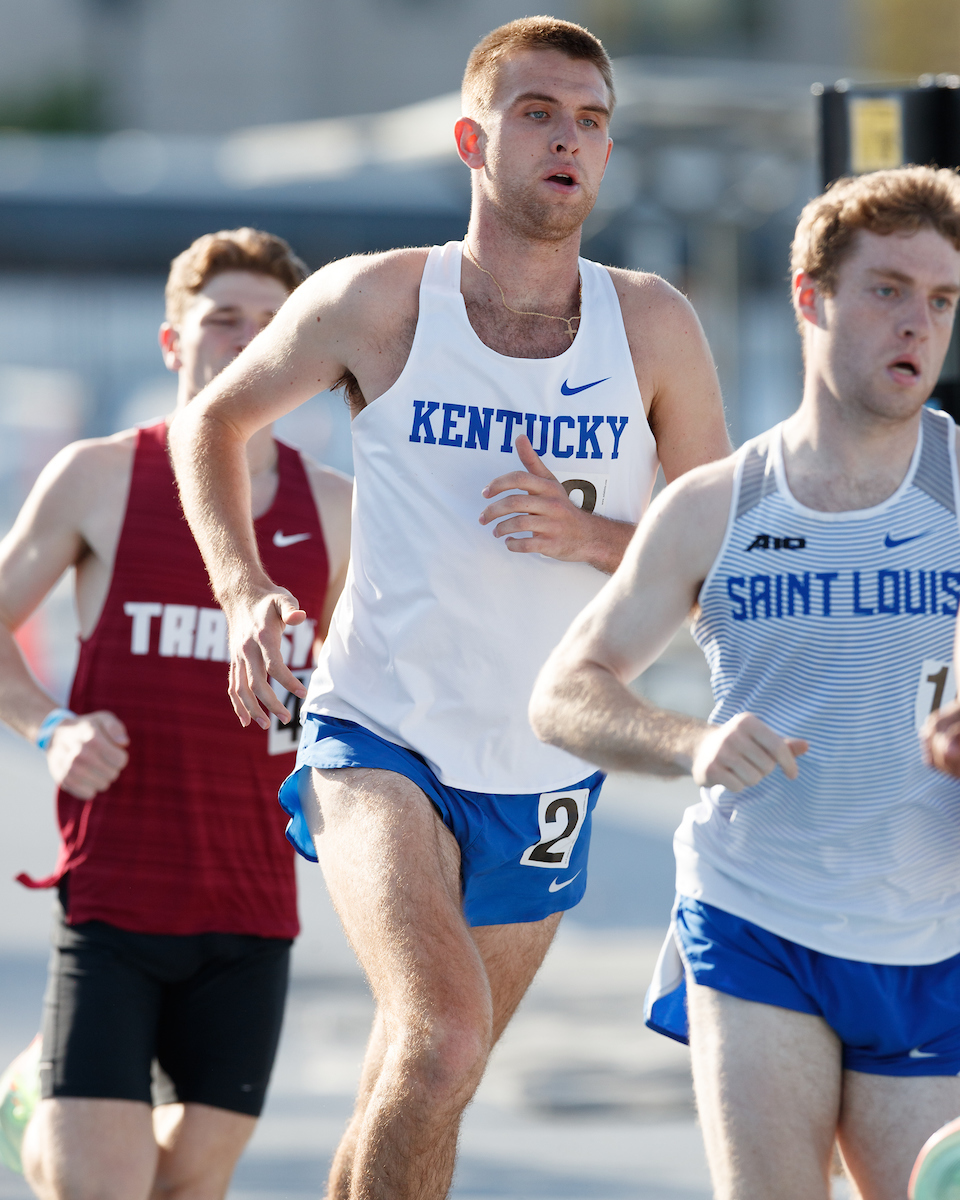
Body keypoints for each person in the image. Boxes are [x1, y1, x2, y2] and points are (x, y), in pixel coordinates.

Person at [168, 17, 730, 1200]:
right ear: (474, 139)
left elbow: (722, 558)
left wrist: (593, 538)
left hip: (546, 760)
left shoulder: (655, 327)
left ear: (610, 156)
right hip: (382, 733)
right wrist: (247, 588)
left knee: (419, 1077)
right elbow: (211, 420)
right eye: (538, 114)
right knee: (445, 1037)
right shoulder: (378, 300)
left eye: (590, 121)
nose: (567, 140)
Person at [529, 163, 960, 1200]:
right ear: (811, 296)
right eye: (888, 289)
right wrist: (690, 744)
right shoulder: (715, 506)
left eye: (942, 299)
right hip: (755, 914)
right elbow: (564, 690)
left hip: (932, 932)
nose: (918, 324)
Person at [0, 228, 351, 1200]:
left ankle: (60, 1098)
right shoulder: (102, 477)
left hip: (252, 906)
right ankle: (39, 1102)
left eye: (272, 326)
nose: (246, 341)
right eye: (223, 319)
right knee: (99, 1188)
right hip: (116, 897)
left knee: (186, 1188)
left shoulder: (338, 512)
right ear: (173, 343)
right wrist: (49, 725)